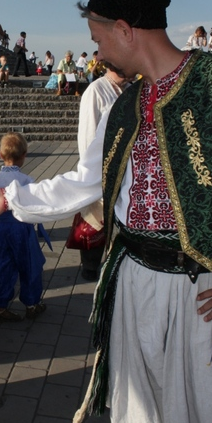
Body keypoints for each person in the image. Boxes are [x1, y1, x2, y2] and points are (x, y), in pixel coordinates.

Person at [0, 0, 212, 423]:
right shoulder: (126, 103)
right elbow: (84, 181)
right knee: (144, 418)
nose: (96, 51)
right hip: (134, 281)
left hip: (204, 290)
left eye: (97, 38)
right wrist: (11, 200)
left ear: (125, 29)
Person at [72, 65, 132, 280]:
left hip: (127, 168)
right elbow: (88, 135)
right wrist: (94, 172)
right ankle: (90, 266)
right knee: (94, 220)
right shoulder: (96, 91)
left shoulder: (130, 89)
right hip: (101, 168)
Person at [0, 132, 47, 322]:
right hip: (22, 229)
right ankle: (31, 304)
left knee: (2, 264)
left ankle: (0, 307)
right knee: (29, 265)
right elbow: (35, 207)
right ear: (24, 155)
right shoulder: (27, 181)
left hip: (2, 230)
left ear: (0, 155)